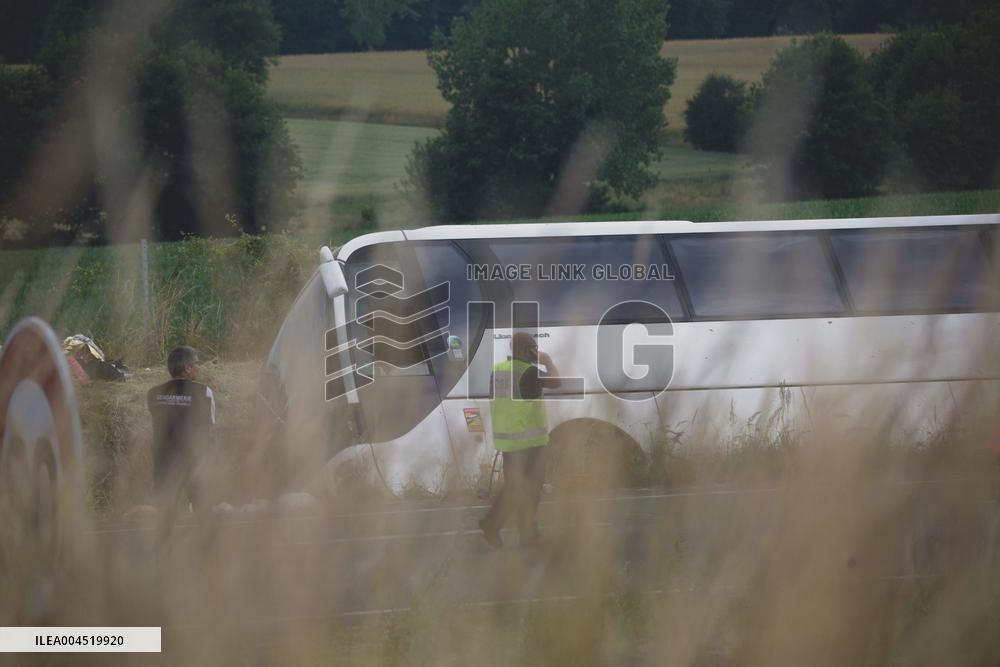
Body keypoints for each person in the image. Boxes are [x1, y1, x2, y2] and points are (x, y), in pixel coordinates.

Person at [479, 332, 561, 548]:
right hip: (529, 443)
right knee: (531, 488)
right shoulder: (530, 372)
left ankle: (497, 526)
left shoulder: (497, 372)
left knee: (514, 488)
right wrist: (547, 361)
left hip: (508, 442)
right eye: (534, 348)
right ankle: (524, 532)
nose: (536, 351)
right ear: (527, 350)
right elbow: (557, 381)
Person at [147, 346, 216, 524]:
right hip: (194, 460)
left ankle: (165, 550)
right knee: (202, 510)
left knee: (165, 513)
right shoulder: (204, 392)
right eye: (196, 364)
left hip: (164, 461)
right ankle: (203, 547)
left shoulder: (153, 394)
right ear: (187, 368)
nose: (198, 367)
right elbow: (210, 427)